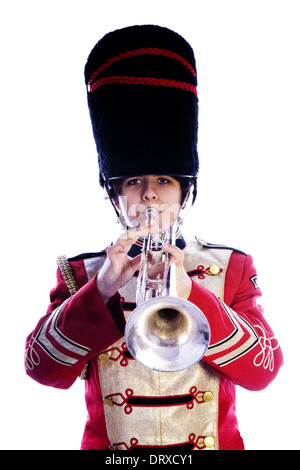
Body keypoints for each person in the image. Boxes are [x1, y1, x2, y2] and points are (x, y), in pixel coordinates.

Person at [24, 25, 283, 450]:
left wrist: (190, 292)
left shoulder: (231, 268)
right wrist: (103, 286)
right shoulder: (80, 273)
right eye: (133, 181)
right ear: (115, 194)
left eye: (164, 179)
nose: (148, 194)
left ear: (184, 192)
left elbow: (265, 370)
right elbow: (41, 370)